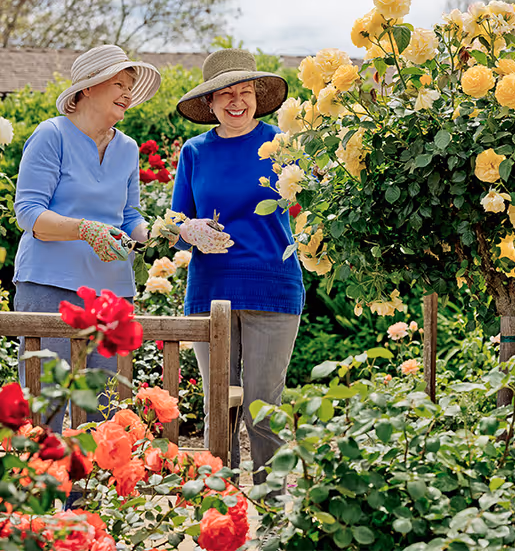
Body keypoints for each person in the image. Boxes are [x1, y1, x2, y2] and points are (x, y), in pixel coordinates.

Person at [172, 48, 304, 485]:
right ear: (209, 103)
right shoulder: (194, 152)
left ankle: (271, 509)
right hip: (211, 292)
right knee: (218, 408)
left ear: (257, 96)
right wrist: (188, 229)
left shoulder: (282, 146)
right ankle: (221, 507)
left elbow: (313, 204)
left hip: (273, 288)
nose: (236, 101)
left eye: (244, 91)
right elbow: (175, 220)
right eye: (224, 94)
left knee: (263, 409)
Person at [13, 44, 161, 432]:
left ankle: (90, 496)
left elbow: (129, 217)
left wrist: (165, 234)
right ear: (88, 89)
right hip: (49, 288)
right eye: (119, 82)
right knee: (43, 410)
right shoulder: (52, 135)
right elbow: (28, 213)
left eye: (130, 85)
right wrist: (84, 229)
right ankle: (40, 493)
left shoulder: (127, 148)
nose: (128, 93)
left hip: (111, 295)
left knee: (107, 415)